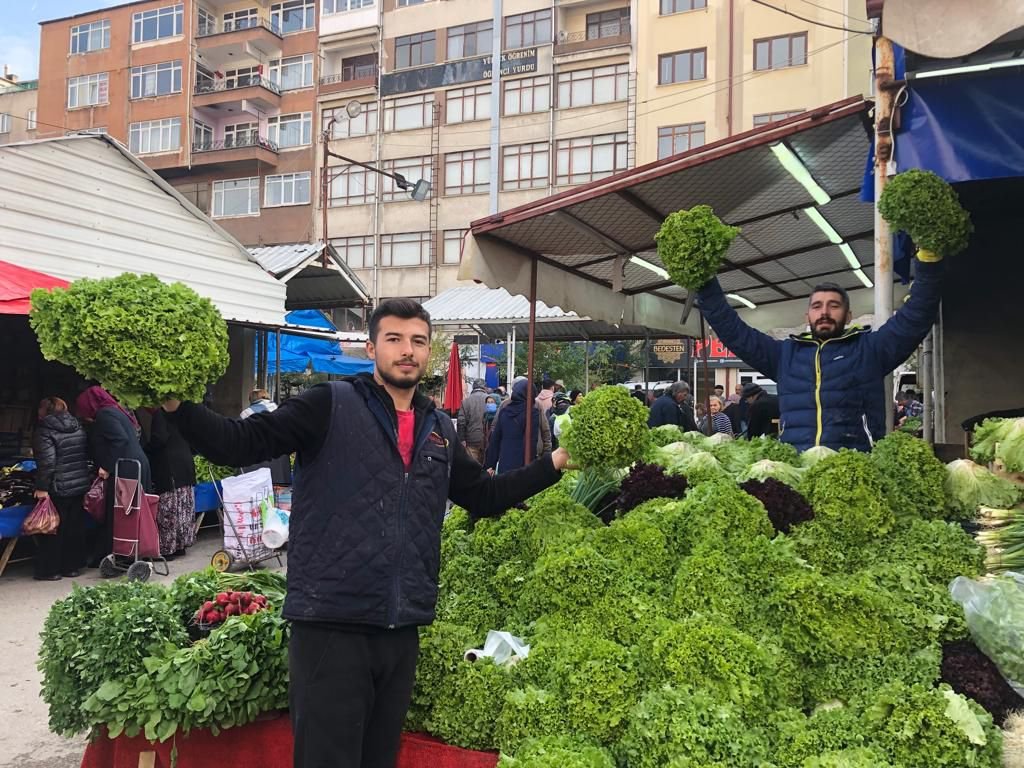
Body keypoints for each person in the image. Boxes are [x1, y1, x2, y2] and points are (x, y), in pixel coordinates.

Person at [163, 299, 569, 768]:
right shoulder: (328, 404)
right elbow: (239, 441)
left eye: (417, 341)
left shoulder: (438, 428)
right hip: (331, 625)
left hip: (400, 628)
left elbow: (485, 496)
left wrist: (554, 463)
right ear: (372, 346)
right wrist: (176, 404)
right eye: (394, 339)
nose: (407, 351)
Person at [697, 253, 944, 450]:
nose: (824, 312)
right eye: (817, 306)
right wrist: (706, 284)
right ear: (808, 316)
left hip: (855, 471)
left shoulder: (870, 350)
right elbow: (735, 333)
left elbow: (915, 318)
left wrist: (928, 261)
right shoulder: (784, 356)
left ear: (848, 315)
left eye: (833, 306)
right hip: (798, 471)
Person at [76, 385, 151, 569]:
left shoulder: (105, 415)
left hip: (127, 469)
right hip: (134, 466)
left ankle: (120, 554)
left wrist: (106, 467)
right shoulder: (115, 411)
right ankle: (126, 553)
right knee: (129, 512)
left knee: (122, 513)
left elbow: (120, 439)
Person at [31, 397, 92, 580]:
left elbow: (47, 462)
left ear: (44, 411)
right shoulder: (77, 426)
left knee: (53, 528)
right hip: (79, 483)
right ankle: (71, 567)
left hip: (58, 485)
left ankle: (51, 570)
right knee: (74, 527)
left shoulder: (44, 431)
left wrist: (42, 487)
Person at [138, 407, 196, 560]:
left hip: (170, 467)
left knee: (168, 509)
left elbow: (160, 438)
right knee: (183, 507)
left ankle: (168, 549)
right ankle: (180, 545)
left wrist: (145, 450)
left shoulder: (160, 414)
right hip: (184, 464)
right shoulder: (179, 412)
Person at [486, 378, 551, 474]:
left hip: (505, 463)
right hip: (524, 465)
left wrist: (490, 465)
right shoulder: (532, 413)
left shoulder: (505, 411)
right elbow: (532, 442)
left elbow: (495, 439)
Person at [456, 379, 489, 464]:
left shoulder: (466, 402)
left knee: (473, 469)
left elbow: (461, 422)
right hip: (486, 440)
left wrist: (462, 439)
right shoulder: (490, 400)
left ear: (473, 387)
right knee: (485, 469)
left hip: (471, 440)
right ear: (484, 387)